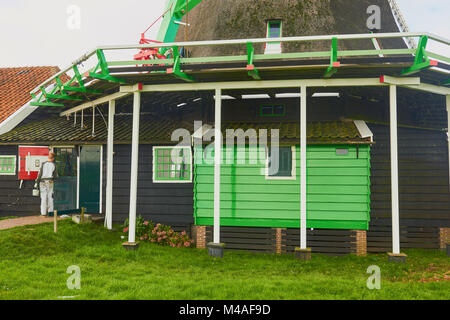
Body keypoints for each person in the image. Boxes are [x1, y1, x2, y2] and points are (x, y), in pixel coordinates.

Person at [35, 153, 58, 217]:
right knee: (50, 196)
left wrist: (37, 182)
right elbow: (56, 176)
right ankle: (50, 212)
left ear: (48, 157)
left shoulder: (43, 164)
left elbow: (39, 174)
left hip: (42, 181)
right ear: (53, 158)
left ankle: (43, 213)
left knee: (43, 197)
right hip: (50, 181)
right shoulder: (54, 165)